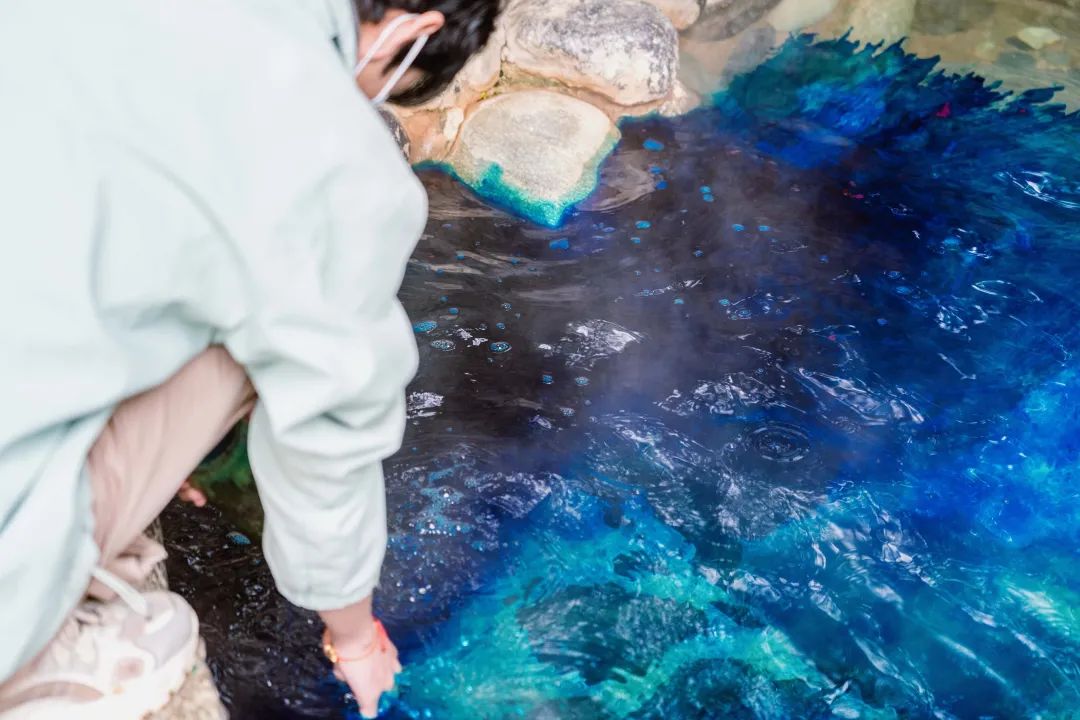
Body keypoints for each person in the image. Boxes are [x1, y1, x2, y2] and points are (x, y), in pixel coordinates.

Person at [0, 0, 499, 717]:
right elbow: (331, 427)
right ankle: (55, 653)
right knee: (274, 335)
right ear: (412, 29)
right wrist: (353, 637)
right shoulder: (321, 141)